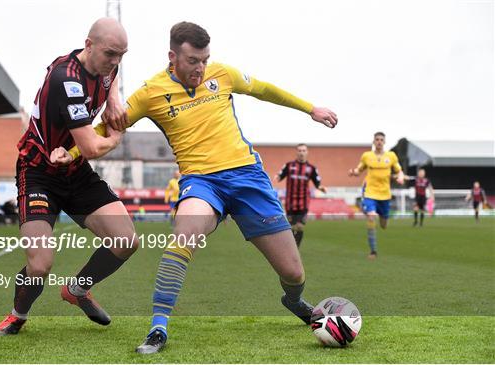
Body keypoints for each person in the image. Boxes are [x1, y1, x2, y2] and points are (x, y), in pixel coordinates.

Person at [59, 21, 338, 354]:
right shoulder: (151, 92)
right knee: (182, 238)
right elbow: (106, 125)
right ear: (172, 56)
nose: (200, 67)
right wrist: (71, 152)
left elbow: (263, 88)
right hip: (201, 182)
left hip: (248, 178)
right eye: (193, 60)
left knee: (293, 272)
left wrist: (311, 109)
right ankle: (157, 329)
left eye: (205, 59)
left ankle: (294, 301)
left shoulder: (222, 74)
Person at [0, 18, 139, 337]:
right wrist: (116, 137)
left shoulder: (106, 67)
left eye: (122, 55)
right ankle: (18, 315)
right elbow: (91, 146)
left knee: (126, 241)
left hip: (74, 170)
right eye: (111, 53)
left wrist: (113, 96)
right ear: (88, 45)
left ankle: (77, 290)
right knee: (41, 264)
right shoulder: (66, 80)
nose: (115, 62)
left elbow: (109, 77)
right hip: (39, 172)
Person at [348, 132, 404, 259]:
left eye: (381, 140)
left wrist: (400, 177)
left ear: (384, 142)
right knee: (371, 217)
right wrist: (353, 172)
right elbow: (359, 169)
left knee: (383, 224)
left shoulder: (391, 156)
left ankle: (383, 219)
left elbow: (399, 170)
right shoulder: (367, 156)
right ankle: (373, 251)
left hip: (384, 194)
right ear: (373, 142)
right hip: (370, 192)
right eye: (377, 139)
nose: (379, 141)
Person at [273, 144, 326, 247]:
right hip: (290, 201)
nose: (301, 152)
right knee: (291, 227)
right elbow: (280, 176)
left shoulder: (311, 168)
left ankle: (296, 248)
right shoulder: (289, 165)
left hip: (304, 201)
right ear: (296, 152)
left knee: (300, 226)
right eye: (300, 150)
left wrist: (321, 188)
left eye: (304, 150)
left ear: (307, 152)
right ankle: (291, 248)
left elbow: (317, 183)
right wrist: (276, 178)